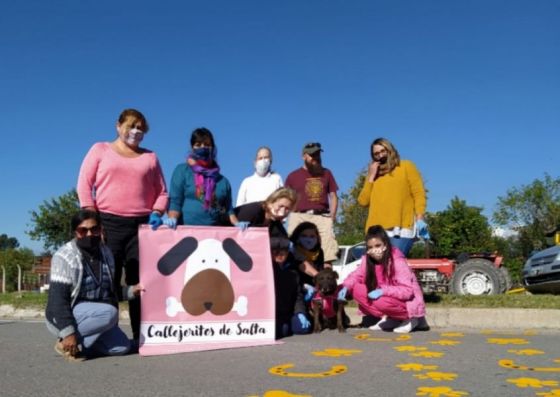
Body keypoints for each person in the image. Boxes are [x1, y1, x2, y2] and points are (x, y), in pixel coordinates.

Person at [77, 108, 168, 342]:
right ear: (118, 126)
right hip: (108, 222)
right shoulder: (100, 150)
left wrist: (157, 211)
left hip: (142, 226)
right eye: (131, 126)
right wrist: (93, 221)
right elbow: (84, 186)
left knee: (140, 281)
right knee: (109, 279)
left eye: (141, 128)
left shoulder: (150, 157)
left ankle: (141, 334)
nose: (136, 132)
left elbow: (162, 192)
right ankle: (106, 334)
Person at [45, 210, 143, 360]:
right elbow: (57, 300)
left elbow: (109, 292)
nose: (89, 234)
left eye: (94, 229)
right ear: (75, 232)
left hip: (97, 314)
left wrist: (132, 291)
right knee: (110, 313)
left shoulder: (107, 253)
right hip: (70, 314)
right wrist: (68, 333)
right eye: (83, 230)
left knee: (122, 347)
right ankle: (64, 341)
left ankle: (79, 347)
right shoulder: (63, 257)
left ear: (101, 230)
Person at [338, 225, 426, 333]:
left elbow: (407, 291)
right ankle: (392, 318)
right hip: (387, 297)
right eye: (370, 247)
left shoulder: (397, 261)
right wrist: (345, 287)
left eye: (378, 245)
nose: (374, 250)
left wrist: (383, 290)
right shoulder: (368, 260)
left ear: (385, 244)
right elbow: (356, 275)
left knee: (380, 301)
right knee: (356, 289)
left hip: (406, 301)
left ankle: (412, 318)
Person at [357, 137, 428, 256]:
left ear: (390, 150)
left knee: (394, 264)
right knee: (377, 270)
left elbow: (419, 193)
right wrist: (370, 176)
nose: (380, 155)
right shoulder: (373, 175)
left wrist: (420, 217)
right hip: (376, 231)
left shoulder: (406, 166)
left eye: (383, 151)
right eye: (376, 154)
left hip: (400, 229)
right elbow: (363, 201)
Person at [165, 127, 238, 227]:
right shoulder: (182, 171)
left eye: (207, 145)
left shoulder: (223, 182)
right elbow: (175, 202)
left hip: (214, 235)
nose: (203, 148)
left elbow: (228, 210)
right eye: (198, 145)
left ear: (213, 148)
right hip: (185, 233)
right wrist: (172, 218)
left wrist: (237, 224)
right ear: (192, 148)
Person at [285, 142, 339, 265]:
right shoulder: (292, 176)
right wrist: (290, 215)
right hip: (298, 215)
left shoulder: (327, 173)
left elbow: (333, 196)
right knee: (293, 250)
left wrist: (333, 215)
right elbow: (286, 198)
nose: (315, 157)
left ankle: (327, 282)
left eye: (317, 154)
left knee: (328, 252)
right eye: (311, 155)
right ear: (304, 156)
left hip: (322, 216)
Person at [270, 236, 312, 339]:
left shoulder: (293, 273)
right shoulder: (266, 270)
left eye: (283, 252)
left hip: (288, 312)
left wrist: (300, 312)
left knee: (303, 328)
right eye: (275, 252)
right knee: (281, 331)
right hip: (271, 313)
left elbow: (297, 296)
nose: (279, 255)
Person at [290, 221, 325, 287]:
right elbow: (301, 264)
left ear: (317, 238)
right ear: (297, 237)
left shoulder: (319, 252)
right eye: (304, 236)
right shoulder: (292, 249)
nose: (308, 239)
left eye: (312, 236)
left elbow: (321, 270)